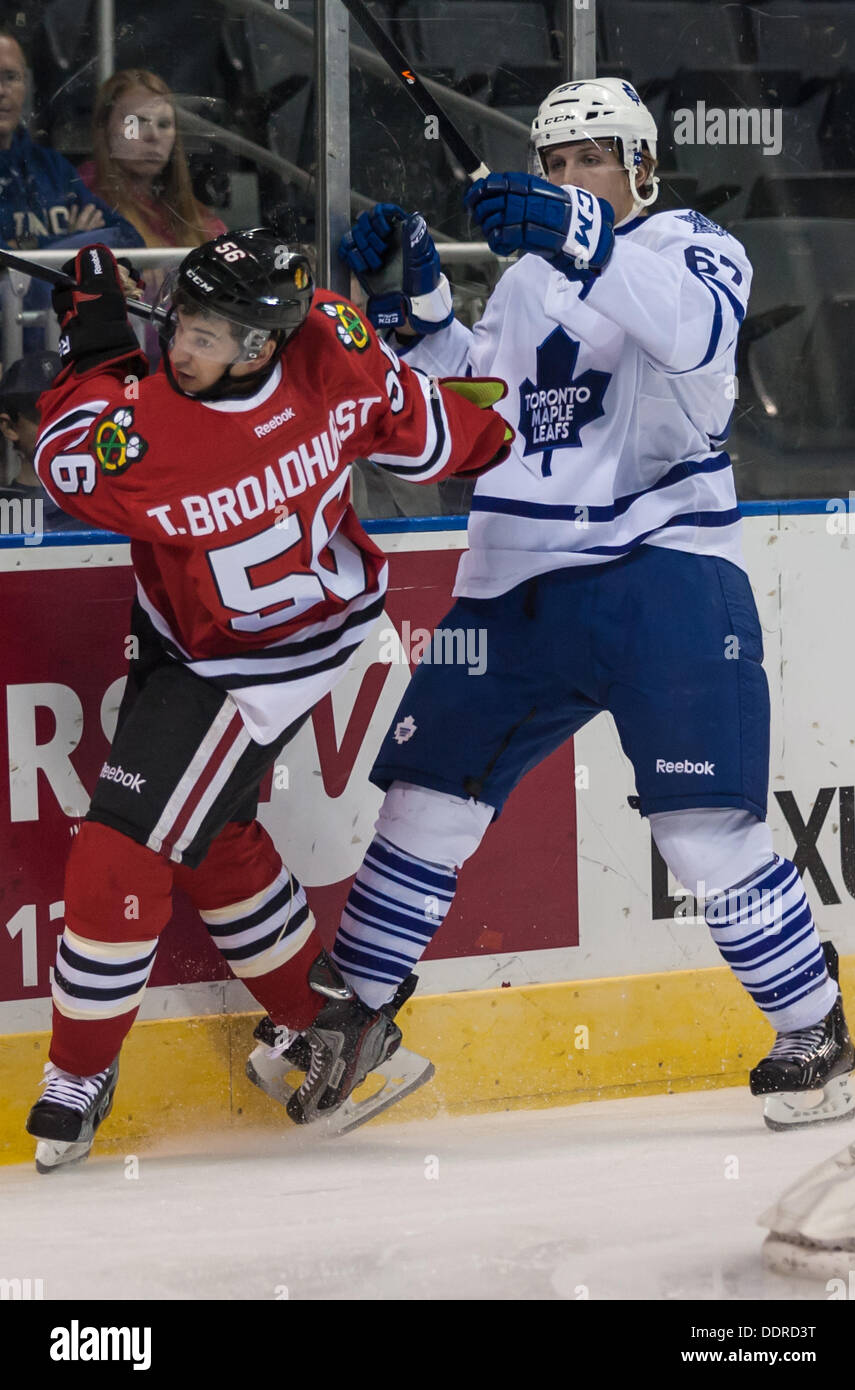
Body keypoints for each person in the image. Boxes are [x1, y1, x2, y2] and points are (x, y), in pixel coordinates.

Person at [258, 78, 855, 1131]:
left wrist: (577, 234)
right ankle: (355, 1019)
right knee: (423, 800)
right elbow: (490, 401)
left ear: (640, 166)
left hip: (660, 573)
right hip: (511, 580)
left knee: (699, 832)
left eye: (592, 159)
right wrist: (420, 314)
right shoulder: (533, 276)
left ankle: (811, 1025)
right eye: (557, 161)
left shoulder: (692, 245)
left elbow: (691, 334)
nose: (571, 176)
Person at [24, 228, 512, 1171]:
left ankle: (78, 1071)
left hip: (243, 667)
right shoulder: (331, 336)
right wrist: (513, 431)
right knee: (208, 832)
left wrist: (92, 334)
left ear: (259, 345)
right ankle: (327, 1024)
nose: (181, 347)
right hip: (244, 625)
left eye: (206, 336)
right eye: (181, 322)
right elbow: (434, 431)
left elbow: (66, 450)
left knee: (122, 843)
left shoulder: (161, 443)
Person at [0, 28, 141, 250]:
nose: (2, 91)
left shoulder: (50, 166)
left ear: (26, 86)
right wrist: (76, 240)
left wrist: (27, 246)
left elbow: (130, 239)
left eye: (11, 77)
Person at [79, 69, 227, 249]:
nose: (154, 136)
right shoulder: (82, 201)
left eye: (164, 124)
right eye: (136, 122)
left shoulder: (198, 220)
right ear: (104, 128)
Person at [0, 351, 89, 533]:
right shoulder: (4, 512)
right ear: (9, 428)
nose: (65, 428)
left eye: (73, 413)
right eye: (47, 416)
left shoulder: (109, 506)